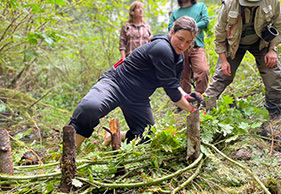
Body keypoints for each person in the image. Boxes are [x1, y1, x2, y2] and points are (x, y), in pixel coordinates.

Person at [68, 16, 201, 148]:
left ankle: (115, 136)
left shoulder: (179, 58)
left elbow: (175, 86)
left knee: (148, 137)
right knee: (90, 108)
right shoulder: (162, 48)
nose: (183, 45)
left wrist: (187, 96)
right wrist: (192, 110)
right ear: (172, 32)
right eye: (180, 39)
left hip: (138, 98)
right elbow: (172, 92)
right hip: (115, 84)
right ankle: (68, 156)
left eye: (188, 42)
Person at [204, 0, 281, 119]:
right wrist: (224, 61)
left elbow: (279, 24)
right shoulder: (229, 3)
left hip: (261, 43)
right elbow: (219, 36)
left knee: (274, 77)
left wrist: (273, 49)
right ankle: (204, 114)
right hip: (234, 45)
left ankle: (275, 117)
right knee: (221, 77)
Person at [168, 0, 210, 95]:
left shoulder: (200, 6)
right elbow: (170, 29)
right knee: (183, 75)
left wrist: (189, 27)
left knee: (203, 71)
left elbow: (205, 21)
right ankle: (186, 103)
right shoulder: (175, 13)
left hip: (197, 45)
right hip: (180, 48)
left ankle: (200, 101)